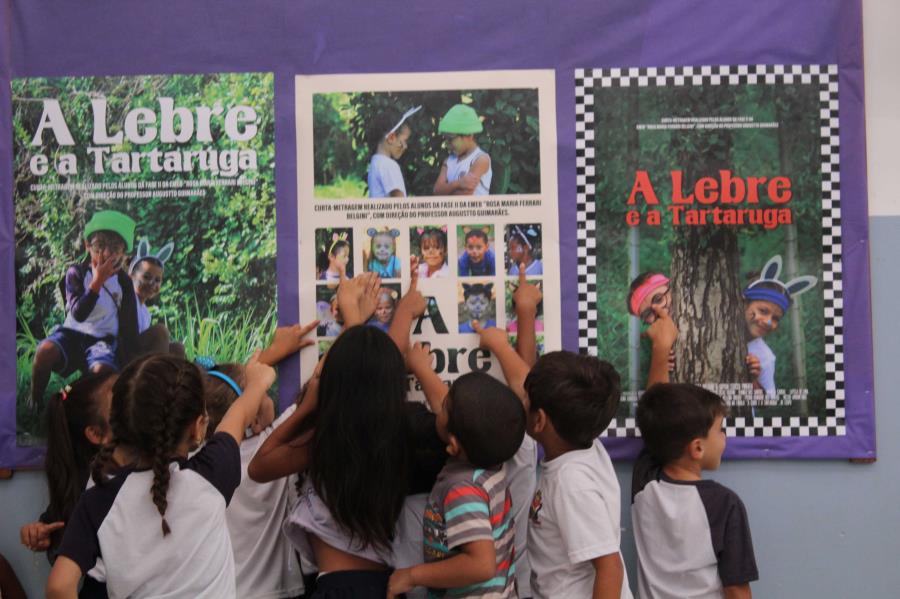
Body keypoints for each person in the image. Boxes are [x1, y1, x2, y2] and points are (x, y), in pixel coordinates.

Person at [46, 352, 276, 599]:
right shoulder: (211, 475)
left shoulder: (97, 500)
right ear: (198, 429)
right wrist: (258, 382)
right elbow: (239, 414)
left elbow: (59, 587)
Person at [475, 299, 632, 598]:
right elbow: (526, 384)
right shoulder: (583, 440)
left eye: (526, 402)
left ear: (540, 420)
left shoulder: (571, 483)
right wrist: (504, 342)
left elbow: (610, 568)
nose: (520, 402)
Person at [200, 322, 319, 599]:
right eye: (265, 394)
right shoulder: (270, 446)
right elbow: (319, 390)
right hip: (273, 591)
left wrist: (271, 355)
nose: (269, 397)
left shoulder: (200, 458)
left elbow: (227, 397)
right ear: (252, 419)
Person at [387, 370, 525, 599]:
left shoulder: (462, 490)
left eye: (444, 407)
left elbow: (481, 565)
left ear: (453, 445)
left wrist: (412, 576)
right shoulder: (491, 468)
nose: (439, 407)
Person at [632, 384, 758, 598]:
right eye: (720, 430)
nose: (724, 437)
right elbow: (736, 589)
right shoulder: (725, 504)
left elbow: (656, 420)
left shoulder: (645, 484)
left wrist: (661, 353)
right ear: (697, 448)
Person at [30, 210, 139, 410]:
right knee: (44, 352)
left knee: (102, 372)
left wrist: (127, 361)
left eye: (114, 248)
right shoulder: (76, 273)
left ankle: (70, 396)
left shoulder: (124, 282)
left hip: (102, 341)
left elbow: (130, 327)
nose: (106, 254)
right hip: (71, 334)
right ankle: (34, 401)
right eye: (99, 246)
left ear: (124, 253)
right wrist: (97, 282)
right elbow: (78, 314)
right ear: (87, 246)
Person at [20, 372, 116, 598]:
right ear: (96, 433)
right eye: (122, 400)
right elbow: (60, 520)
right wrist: (41, 533)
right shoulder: (90, 489)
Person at [742, 255, 817, 398]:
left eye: (775, 318)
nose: (768, 322)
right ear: (743, 304)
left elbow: (768, 401)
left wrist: (752, 380)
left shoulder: (765, 357)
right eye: (763, 311)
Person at [128, 237, 183, 357]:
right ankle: (160, 373)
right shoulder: (126, 300)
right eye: (146, 277)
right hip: (124, 352)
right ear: (131, 276)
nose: (152, 283)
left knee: (177, 348)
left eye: (157, 280)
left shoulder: (145, 312)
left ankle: (180, 375)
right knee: (160, 331)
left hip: (138, 350)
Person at [626, 272, 677, 387]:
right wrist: (660, 359)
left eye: (658, 299)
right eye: (648, 313)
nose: (658, 310)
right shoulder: (652, 343)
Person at [433, 104, 492, 196]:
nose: (447, 144)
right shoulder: (449, 160)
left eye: (450, 139)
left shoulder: (480, 159)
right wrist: (459, 183)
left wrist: (446, 189)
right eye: (445, 139)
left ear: (469, 135)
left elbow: (464, 195)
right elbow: (437, 191)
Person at [367, 106, 420, 198]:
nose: (405, 146)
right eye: (404, 141)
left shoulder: (375, 162)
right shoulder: (389, 165)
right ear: (391, 138)